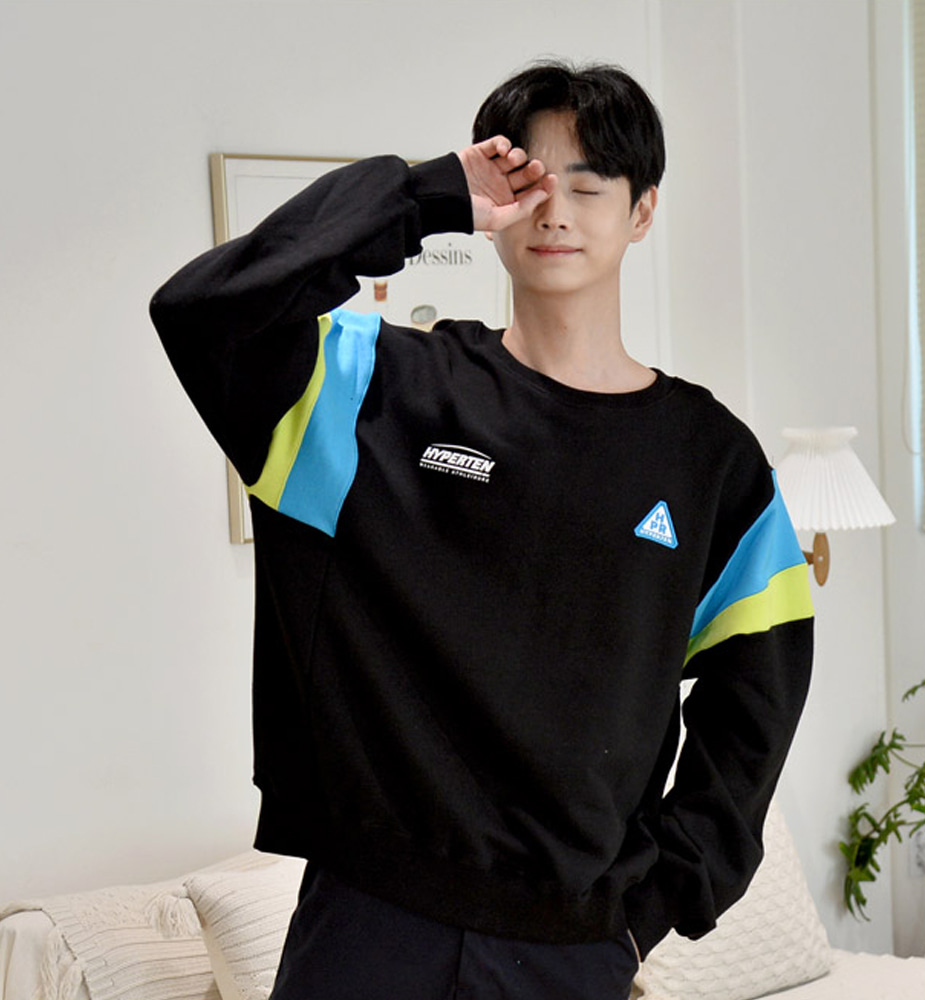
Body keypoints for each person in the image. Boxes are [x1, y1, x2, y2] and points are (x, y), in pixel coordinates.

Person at [150, 61, 813, 1000]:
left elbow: (758, 705)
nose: (555, 213)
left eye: (590, 185)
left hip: (572, 948)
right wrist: (425, 197)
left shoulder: (712, 463)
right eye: (530, 182)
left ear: (643, 212)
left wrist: (655, 907)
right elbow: (201, 312)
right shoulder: (371, 392)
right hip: (365, 928)